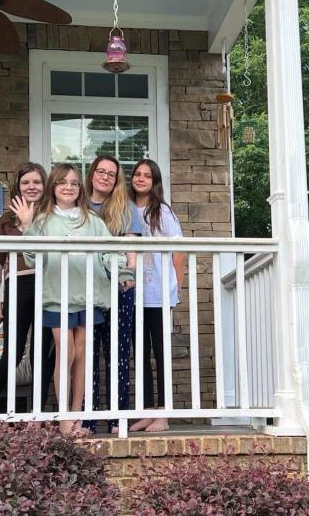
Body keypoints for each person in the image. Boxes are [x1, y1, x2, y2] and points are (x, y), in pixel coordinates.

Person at [15, 163, 133, 435]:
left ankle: (78, 415)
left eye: (74, 183)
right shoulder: (43, 221)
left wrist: (123, 271)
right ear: (53, 187)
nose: (68, 187)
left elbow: (109, 252)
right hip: (58, 296)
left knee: (82, 355)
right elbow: (32, 256)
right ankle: (65, 417)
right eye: (62, 182)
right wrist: (26, 226)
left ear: (79, 188)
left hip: (90, 296)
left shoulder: (92, 221)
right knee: (65, 352)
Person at [0, 162, 54, 414]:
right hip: (18, 284)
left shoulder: (52, 214)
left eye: (36, 182)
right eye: (26, 182)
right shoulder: (7, 219)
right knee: (12, 353)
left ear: (44, 185)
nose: (31, 187)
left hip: (49, 284)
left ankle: (37, 413)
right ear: (18, 186)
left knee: (43, 354)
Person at [83, 156, 141, 434]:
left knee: (118, 353)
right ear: (92, 174)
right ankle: (89, 419)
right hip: (84, 291)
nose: (105, 177)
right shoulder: (78, 204)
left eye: (111, 174)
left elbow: (131, 249)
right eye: (100, 171)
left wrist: (128, 274)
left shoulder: (125, 207)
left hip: (118, 288)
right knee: (87, 354)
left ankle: (118, 418)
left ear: (117, 180)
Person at [128, 159, 185, 433]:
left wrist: (177, 288)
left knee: (161, 354)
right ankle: (147, 411)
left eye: (146, 175)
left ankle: (163, 414)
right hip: (133, 294)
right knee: (140, 353)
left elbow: (178, 252)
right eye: (137, 174)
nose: (140, 179)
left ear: (154, 181)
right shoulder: (126, 210)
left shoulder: (162, 212)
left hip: (159, 293)